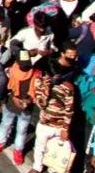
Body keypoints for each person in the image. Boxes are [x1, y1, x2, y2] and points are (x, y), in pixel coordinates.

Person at [29, 44, 79, 173]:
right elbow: (41, 104)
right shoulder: (40, 82)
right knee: (40, 147)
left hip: (59, 126)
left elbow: (69, 109)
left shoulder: (68, 88)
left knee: (57, 150)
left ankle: (53, 169)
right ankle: (37, 167)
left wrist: (65, 128)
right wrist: (46, 89)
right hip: (45, 122)